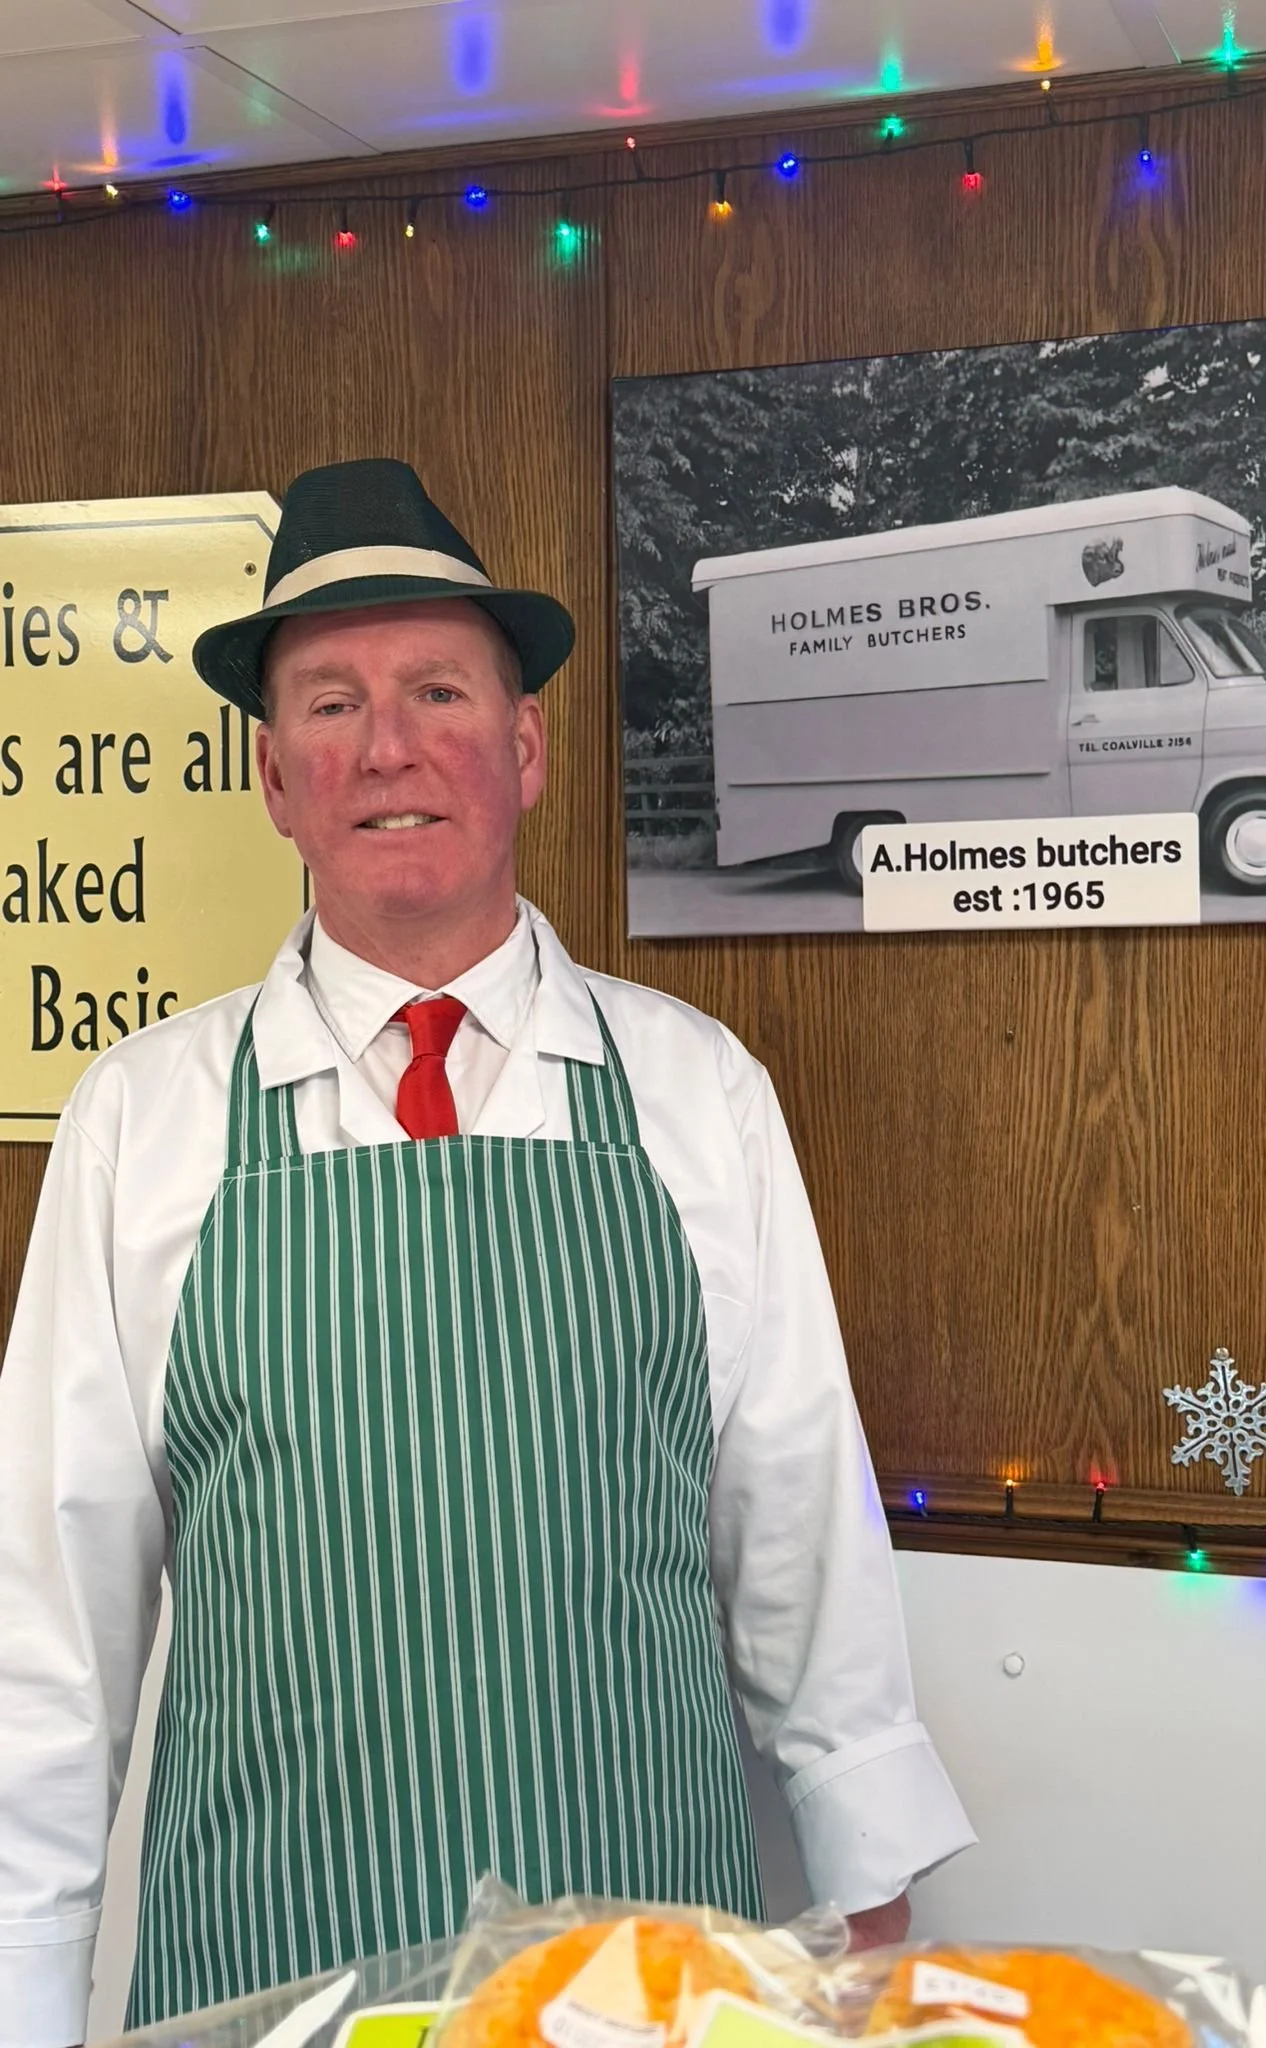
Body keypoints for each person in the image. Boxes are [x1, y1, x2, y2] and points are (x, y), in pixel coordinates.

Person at [0, 460, 974, 2047]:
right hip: (269, 1965)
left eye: (437, 690)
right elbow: (43, 1625)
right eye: (330, 704)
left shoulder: (694, 1089)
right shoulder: (142, 1118)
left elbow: (795, 1513)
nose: (387, 746)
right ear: (272, 774)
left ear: (523, 747)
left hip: (649, 1973)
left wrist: (869, 1896)